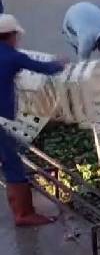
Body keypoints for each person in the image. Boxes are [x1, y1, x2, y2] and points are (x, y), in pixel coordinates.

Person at [0, 14, 64, 227]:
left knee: (8, 162)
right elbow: (45, 69)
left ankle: (20, 211)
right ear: (10, 35)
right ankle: (24, 214)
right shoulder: (12, 56)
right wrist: (62, 63)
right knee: (14, 166)